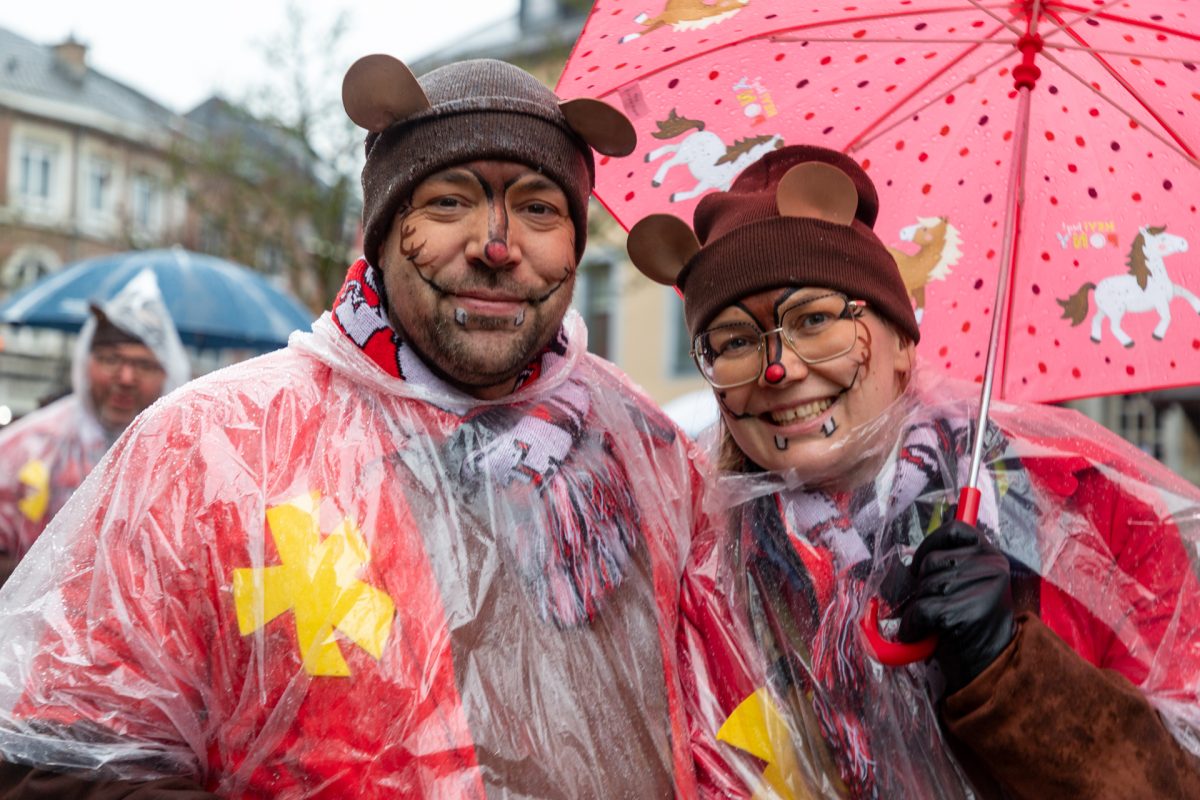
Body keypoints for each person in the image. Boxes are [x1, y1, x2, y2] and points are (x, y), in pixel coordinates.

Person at [0, 54, 704, 799]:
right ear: (381, 230)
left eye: (539, 209)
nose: (496, 246)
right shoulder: (212, 447)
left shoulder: (645, 449)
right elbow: (63, 760)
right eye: (448, 202)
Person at [628, 145, 1200, 799]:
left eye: (814, 320)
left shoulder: (1092, 517)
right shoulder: (707, 580)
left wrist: (1009, 671)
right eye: (733, 342)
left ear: (901, 341)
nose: (778, 368)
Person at [0, 269, 188, 584]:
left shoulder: (184, 455)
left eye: (143, 364)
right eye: (111, 360)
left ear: (167, 373)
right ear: (86, 363)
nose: (126, 378)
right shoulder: (32, 444)